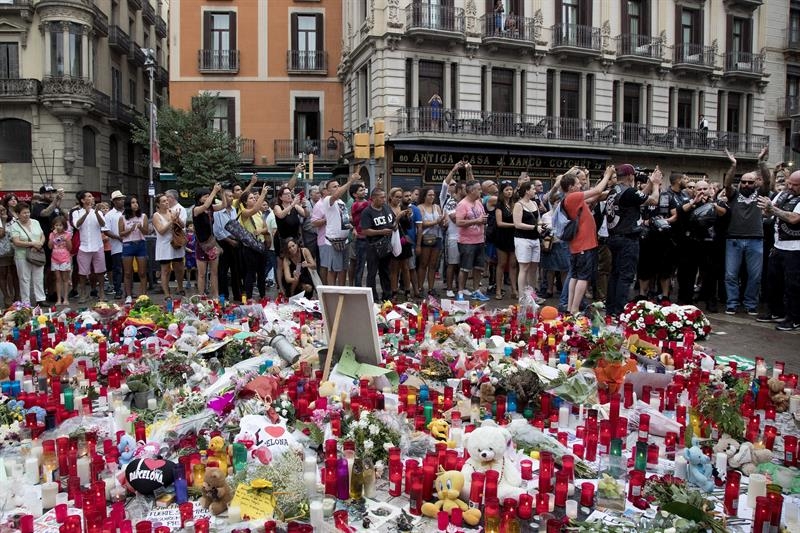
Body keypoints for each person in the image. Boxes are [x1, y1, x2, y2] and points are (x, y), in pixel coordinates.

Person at [605, 164, 662, 316]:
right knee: (625, 276)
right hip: (627, 238)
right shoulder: (628, 192)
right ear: (631, 177)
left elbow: (637, 198)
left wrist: (649, 183)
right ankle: (620, 311)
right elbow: (653, 200)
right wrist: (656, 185)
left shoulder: (614, 191)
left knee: (615, 274)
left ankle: (611, 310)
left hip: (614, 237)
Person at [723, 147, 771, 315]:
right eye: (743, 181)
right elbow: (727, 184)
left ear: (755, 182)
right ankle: (732, 303)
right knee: (730, 274)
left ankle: (751, 304)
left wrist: (761, 162)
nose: (746, 184)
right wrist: (733, 165)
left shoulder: (761, 193)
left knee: (755, 276)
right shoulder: (734, 194)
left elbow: (767, 180)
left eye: (750, 182)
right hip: (734, 239)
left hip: (755, 239)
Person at [561, 166, 613, 315]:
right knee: (583, 277)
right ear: (571, 187)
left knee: (576, 276)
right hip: (583, 244)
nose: (580, 185)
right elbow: (596, 191)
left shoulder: (572, 198)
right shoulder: (572, 197)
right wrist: (607, 175)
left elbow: (595, 196)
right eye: (578, 183)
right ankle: (575, 307)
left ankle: (571, 307)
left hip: (579, 245)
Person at [757, 171, 800, 331]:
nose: (790, 187)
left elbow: (794, 218)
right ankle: (776, 312)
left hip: (796, 248)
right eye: (789, 183)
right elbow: (768, 211)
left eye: (795, 185)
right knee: (773, 282)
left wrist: (772, 210)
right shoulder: (783, 194)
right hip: (778, 245)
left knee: (793, 286)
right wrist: (768, 207)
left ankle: (794, 318)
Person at [319, 174, 358, 286]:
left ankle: (342, 291)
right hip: (333, 241)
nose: (337, 188)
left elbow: (344, 220)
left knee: (343, 269)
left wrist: (353, 228)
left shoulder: (341, 202)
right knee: (332, 270)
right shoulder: (327, 200)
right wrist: (350, 181)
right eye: (334, 186)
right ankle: (332, 292)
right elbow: (336, 195)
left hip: (344, 240)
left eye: (338, 186)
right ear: (327, 190)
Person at [456, 180, 490, 301]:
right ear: (471, 191)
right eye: (479, 189)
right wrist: (476, 221)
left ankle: (476, 290)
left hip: (479, 239)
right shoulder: (462, 204)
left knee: (478, 267)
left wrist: (484, 220)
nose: (481, 191)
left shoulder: (479, 203)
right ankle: (460, 291)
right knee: (465, 268)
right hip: (466, 241)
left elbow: (481, 217)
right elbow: (459, 222)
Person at [71, 190, 107, 302]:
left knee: (100, 271)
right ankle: (83, 294)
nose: (92, 198)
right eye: (89, 196)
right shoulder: (76, 212)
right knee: (82, 272)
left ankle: (101, 292)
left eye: (91, 196)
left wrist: (96, 212)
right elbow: (77, 225)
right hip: (84, 246)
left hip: (98, 245)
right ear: (82, 200)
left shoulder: (98, 212)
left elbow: (103, 224)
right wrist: (86, 213)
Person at [192, 184, 226, 300]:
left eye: (208, 196)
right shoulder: (196, 210)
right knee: (201, 274)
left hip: (211, 243)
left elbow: (224, 205)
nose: (208, 198)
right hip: (201, 244)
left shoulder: (211, 208)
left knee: (214, 272)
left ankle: (215, 295)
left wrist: (222, 194)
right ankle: (201, 296)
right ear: (199, 198)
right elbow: (206, 205)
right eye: (205, 196)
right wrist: (214, 191)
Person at [361, 188, 396, 301]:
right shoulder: (367, 212)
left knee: (385, 271)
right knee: (372, 272)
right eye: (381, 197)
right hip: (373, 245)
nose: (384, 199)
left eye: (384, 197)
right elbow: (365, 231)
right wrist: (381, 232)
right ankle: (373, 298)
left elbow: (392, 222)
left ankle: (387, 296)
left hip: (386, 244)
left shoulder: (386, 208)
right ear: (374, 198)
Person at [9, 202, 46, 306]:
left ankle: (40, 299)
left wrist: (40, 244)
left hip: (37, 254)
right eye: (24, 213)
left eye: (28, 212)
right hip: (22, 256)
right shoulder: (15, 226)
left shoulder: (35, 222)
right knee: (24, 279)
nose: (27, 214)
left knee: (39, 277)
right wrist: (33, 244)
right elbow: (16, 242)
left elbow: (42, 235)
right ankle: (26, 302)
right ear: (18, 214)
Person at [32, 185, 64, 301]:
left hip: (55, 242)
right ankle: (42, 294)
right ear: (41, 194)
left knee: (53, 269)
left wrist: (59, 202)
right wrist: (55, 201)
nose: (50, 195)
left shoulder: (55, 206)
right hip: (42, 242)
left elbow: (60, 219)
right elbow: (45, 213)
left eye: (52, 193)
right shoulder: (37, 206)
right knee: (43, 270)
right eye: (47, 193)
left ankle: (52, 292)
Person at [513, 181, 544, 301]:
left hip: (535, 239)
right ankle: (522, 295)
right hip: (522, 239)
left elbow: (538, 219)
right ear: (526, 190)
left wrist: (541, 226)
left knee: (534, 267)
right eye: (533, 189)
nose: (535, 191)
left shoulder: (534, 203)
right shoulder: (518, 205)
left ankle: (532, 293)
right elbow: (517, 224)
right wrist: (534, 227)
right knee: (524, 267)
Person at [152, 193, 187, 297]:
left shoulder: (172, 211)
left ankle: (180, 287)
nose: (166, 202)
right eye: (163, 201)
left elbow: (182, 226)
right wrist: (171, 221)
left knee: (179, 267)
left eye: (167, 200)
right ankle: (167, 293)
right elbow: (161, 231)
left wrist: (177, 219)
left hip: (176, 243)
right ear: (158, 204)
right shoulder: (156, 215)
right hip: (164, 245)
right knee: (166, 269)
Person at [239, 187, 270, 300]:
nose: (253, 200)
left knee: (261, 273)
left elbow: (266, 228)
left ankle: (262, 296)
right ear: (245, 202)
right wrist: (263, 194)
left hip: (261, 245)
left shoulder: (259, 213)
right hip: (250, 247)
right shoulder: (244, 212)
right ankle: (249, 297)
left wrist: (260, 231)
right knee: (250, 273)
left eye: (253, 197)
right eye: (251, 198)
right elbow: (255, 209)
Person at [274, 186, 307, 291]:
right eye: (286, 194)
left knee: (297, 261)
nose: (289, 195)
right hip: (282, 239)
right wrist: (292, 204)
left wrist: (304, 204)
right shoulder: (277, 206)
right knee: (281, 264)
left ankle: (295, 285)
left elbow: (306, 214)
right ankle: (281, 287)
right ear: (280, 197)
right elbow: (281, 215)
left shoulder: (295, 207)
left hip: (294, 239)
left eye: (290, 193)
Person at [214, 189, 243, 302]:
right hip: (223, 242)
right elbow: (217, 230)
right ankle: (224, 294)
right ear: (223, 198)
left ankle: (237, 294)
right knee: (223, 270)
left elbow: (235, 226)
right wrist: (229, 240)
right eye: (229, 196)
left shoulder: (234, 210)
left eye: (232, 196)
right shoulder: (218, 211)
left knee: (236, 269)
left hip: (235, 241)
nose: (231, 198)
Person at [118, 195, 149, 302]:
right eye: (132, 203)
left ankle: (143, 295)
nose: (135, 204)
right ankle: (128, 295)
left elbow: (147, 232)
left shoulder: (143, 216)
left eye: (136, 202)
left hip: (140, 244)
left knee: (142, 272)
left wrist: (141, 227)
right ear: (128, 205)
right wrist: (129, 230)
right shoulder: (122, 218)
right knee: (127, 272)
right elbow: (121, 233)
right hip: (128, 245)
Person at [416, 187, 445, 297]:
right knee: (423, 263)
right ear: (424, 196)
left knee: (433, 264)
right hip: (425, 237)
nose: (432, 197)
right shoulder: (420, 207)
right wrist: (436, 221)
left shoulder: (437, 207)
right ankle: (420, 287)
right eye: (429, 195)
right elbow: (422, 223)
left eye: (433, 195)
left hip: (437, 237)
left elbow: (440, 223)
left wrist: (442, 222)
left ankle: (431, 288)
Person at [389, 187, 416, 301]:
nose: (399, 199)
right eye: (397, 197)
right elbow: (391, 227)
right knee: (394, 268)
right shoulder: (387, 209)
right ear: (391, 197)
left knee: (405, 267)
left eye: (400, 197)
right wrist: (398, 217)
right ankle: (394, 291)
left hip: (403, 241)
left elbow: (409, 226)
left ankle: (407, 291)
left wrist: (408, 217)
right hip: (393, 240)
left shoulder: (404, 208)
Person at [493, 181, 517, 300]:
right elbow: (499, 223)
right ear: (502, 191)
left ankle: (514, 289)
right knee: (501, 264)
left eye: (511, 190)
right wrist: (514, 224)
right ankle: (498, 289)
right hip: (502, 236)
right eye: (507, 190)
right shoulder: (499, 205)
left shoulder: (514, 203)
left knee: (513, 264)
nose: (509, 192)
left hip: (513, 237)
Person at [104, 191, 126, 299]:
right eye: (118, 199)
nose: (121, 201)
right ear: (113, 201)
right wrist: (118, 237)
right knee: (118, 269)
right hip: (116, 246)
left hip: (128, 245)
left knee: (128, 269)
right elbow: (106, 231)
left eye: (122, 199)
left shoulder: (127, 212)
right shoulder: (109, 215)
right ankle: (118, 290)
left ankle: (129, 290)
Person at [48, 215, 72, 306]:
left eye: (60, 225)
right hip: (55, 258)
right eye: (56, 225)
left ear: (64, 226)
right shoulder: (52, 234)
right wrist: (53, 236)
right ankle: (58, 299)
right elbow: (50, 246)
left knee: (65, 279)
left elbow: (70, 248)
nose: (58, 227)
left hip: (64, 258)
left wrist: (67, 240)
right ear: (53, 226)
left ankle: (65, 298)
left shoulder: (67, 234)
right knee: (57, 279)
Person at [350, 184, 370, 287]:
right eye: (360, 190)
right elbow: (367, 204)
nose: (363, 191)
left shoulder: (367, 202)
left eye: (364, 189)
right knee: (360, 266)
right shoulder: (356, 205)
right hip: (361, 238)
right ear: (354, 194)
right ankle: (358, 288)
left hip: (369, 237)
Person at [0, 205, 19, 306]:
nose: (2, 212)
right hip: (2, 253)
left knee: (15, 273)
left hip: (13, 251)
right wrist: (2, 221)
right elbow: (1, 234)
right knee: (3, 274)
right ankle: (6, 296)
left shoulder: (12, 220)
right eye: (0, 210)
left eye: (3, 209)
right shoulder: (2, 220)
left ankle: (17, 295)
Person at [184, 223, 197, 289]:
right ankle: (188, 282)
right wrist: (187, 249)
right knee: (188, 269)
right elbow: (184, 245)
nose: (192, 227)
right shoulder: (186, 236)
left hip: (195, 254)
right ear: (187, 228)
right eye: (190, 226)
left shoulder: (196, 235)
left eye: (193, 226)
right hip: (188, 255)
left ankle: (197, 282)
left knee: (197, 269)